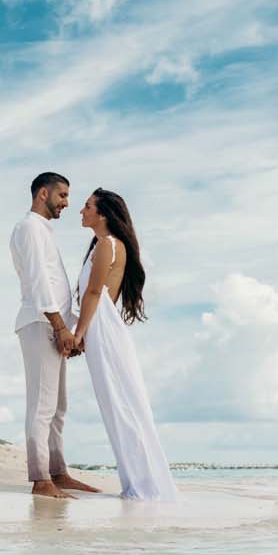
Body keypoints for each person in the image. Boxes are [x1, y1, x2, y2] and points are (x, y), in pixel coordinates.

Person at [70, 188, 178, 501]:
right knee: (116, 407)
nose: (81, 210)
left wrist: (78, 334)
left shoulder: (108, 245)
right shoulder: (100, 246)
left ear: (102, 214)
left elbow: (94, 294)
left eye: (87, 206)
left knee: (123, 406)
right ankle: (138, 483)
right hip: (100, 328)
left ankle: (145, 487)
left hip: (103, 329)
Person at [10, 172, 102, 499]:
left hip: (53, 323)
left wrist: (74, 327)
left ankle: (58, 472)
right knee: (42, 406)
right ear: (43, 193)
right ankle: (40, 480)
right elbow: (38, 283)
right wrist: (60, 327)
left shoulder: (43, 231)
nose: (67, 203)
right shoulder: (29, 228)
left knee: (59, 406)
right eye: (62, 196)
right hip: (39, 324)